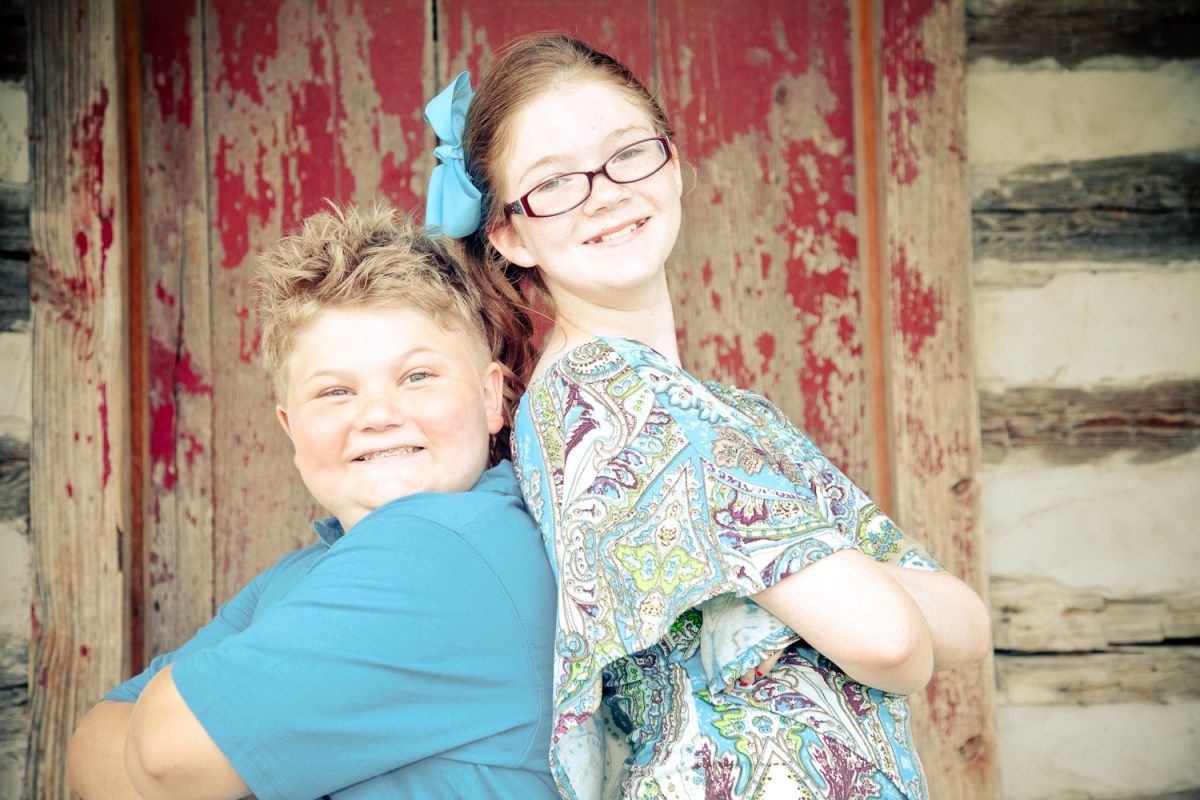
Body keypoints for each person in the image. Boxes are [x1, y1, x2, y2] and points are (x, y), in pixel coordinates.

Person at [423, 33, 992, 800]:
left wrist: (833, 591)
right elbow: (891, 641)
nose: (605, 192)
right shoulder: (609, 395)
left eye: (628, 153)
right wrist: (849, 590)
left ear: (674, 163)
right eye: (554, 182)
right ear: (510, 233)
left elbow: (967, 621)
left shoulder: (716, 410)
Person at [65, 203, 560, 800]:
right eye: (335, 391)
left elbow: (164, 758)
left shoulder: (448, 549)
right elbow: (91, 748)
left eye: (418, 376)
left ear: (491, 398)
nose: (378, 414)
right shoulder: (304, 572)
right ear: (291, 429)